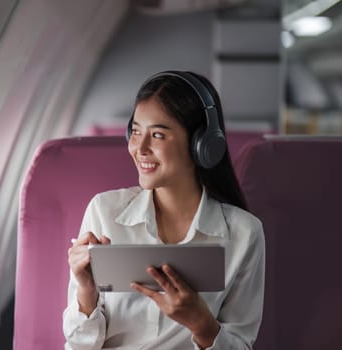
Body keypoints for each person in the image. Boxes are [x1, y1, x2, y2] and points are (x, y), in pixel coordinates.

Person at [63, 71, 265, 350]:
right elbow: (79, 346)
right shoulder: (105, 212)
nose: (140, 148)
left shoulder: (244, 233)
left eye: (157, 135)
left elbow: (241, 344)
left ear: (202, 144)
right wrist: (86, 290)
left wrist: (201, 323)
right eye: (135, 132)